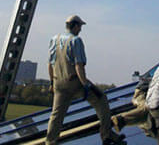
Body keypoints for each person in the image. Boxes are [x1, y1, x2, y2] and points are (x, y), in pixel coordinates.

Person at [45, 15, 125, 145]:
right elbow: (78, 65)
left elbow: (50, 64)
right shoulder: (76, 40)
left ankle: (50, 141)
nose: (80, 29)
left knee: (56, 115)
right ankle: (107, 134)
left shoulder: (54, 39)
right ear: (75, 26)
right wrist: (86, 85)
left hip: (58, 83)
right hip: (74, 82)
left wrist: (52, 83)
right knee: (101, 100)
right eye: (80, 26)